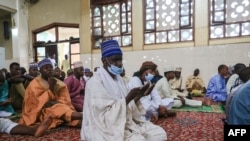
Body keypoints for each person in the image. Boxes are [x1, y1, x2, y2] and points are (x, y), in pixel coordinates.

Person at [81, 40, 167, 141]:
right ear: (104, 61)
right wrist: (128, 98)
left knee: (160, 134)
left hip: (126, 122)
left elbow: (129, 108)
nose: (120, 63)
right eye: (115, 60)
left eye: (120, 60)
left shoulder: (120, 80)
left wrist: (139, 96)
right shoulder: (95, 82)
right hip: (105, 129)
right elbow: (102, 118)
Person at [19, 58, 82, 129]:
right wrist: (51, 89)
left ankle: (82, 118)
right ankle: (85, 116)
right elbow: (34, 104)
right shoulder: (34, 84)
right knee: (57, 109)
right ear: (40, 70)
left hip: (58, 106)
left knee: (77, 122)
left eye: (51, 67)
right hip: (40, 112)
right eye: (46, 68)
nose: (49, 69)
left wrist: (56, 102)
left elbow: (65, 98)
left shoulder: (58, 83)